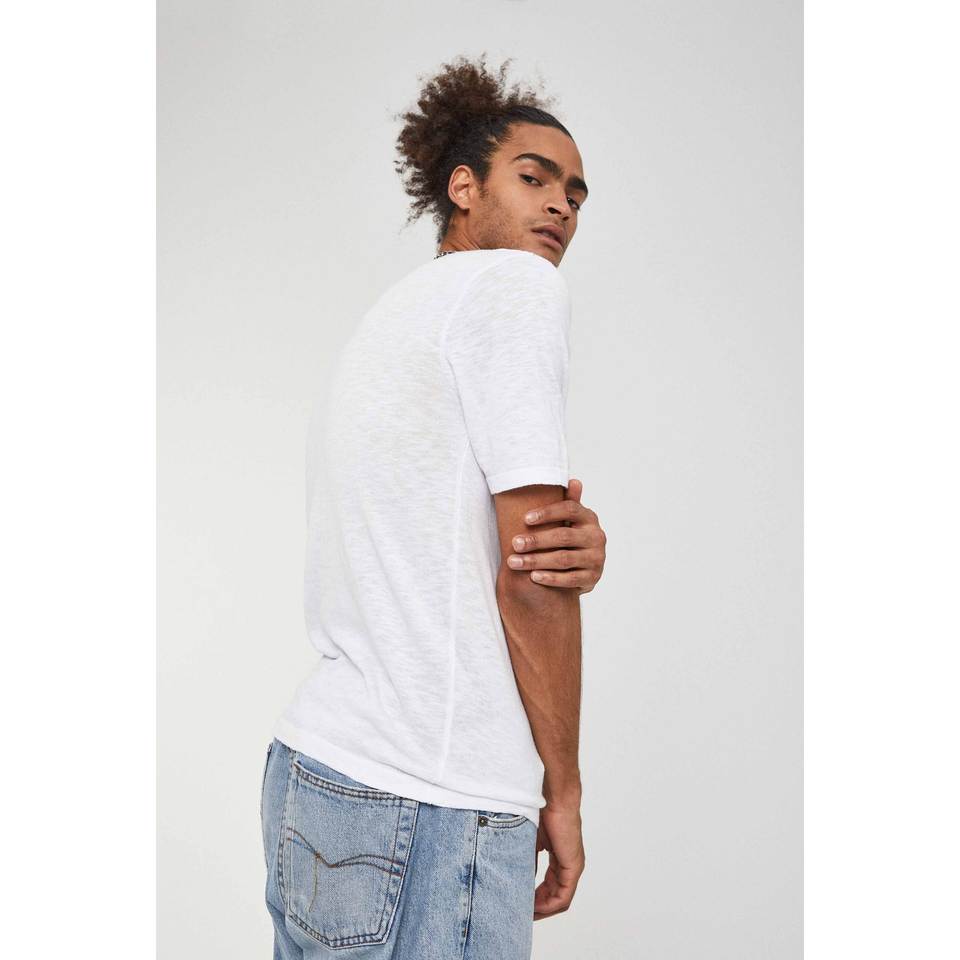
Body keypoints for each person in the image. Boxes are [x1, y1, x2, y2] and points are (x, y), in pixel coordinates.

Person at [261, 55, 607, 959]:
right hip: (429, 795)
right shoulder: (516, 286)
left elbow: (480, 542)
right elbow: (529, 575)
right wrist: (564, 791)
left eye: (575, 195)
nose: (561, 206)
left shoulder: (394, 319)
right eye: (533, 178)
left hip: (316, 771)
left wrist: (569, 544)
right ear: (463, 187)